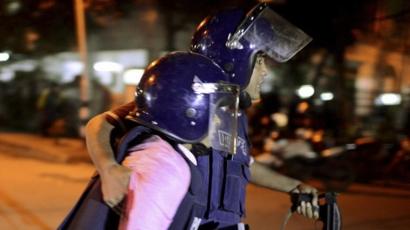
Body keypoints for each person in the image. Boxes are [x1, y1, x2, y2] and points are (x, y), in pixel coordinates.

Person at [85, 3, 319, 229]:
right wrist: (108, 169)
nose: (265, 71)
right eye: (259, 62)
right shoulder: (182, 97)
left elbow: (239, 163)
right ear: (235, 62)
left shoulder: (230, 110)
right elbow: (100, 123)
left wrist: (294, 187)